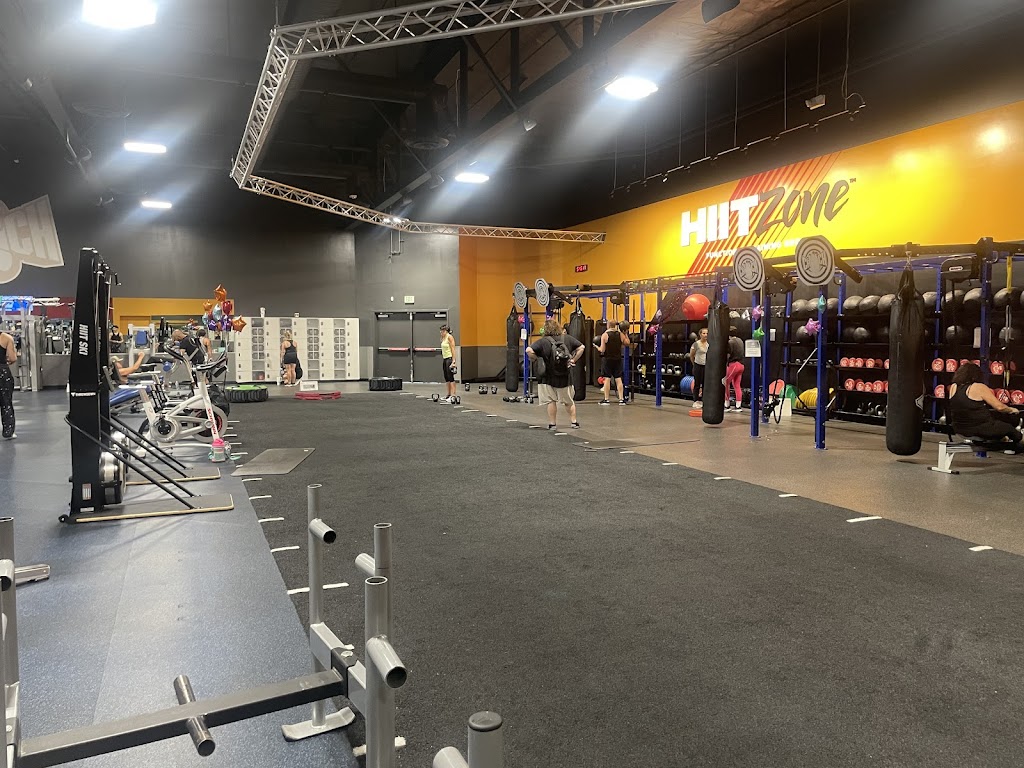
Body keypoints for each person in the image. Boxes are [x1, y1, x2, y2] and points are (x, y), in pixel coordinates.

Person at [526, 318, 584, 430]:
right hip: (565, 376)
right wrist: (574, 360)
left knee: (551, 401)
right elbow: (582, 347)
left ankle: (552, 424)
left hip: (548, 377)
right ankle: (574, 422)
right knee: (569, 401)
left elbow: (529, 350)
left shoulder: (543, 341)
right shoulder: (567, 338)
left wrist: (536, 358)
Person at [948, 362, 1022, 449]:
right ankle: (1019, 445)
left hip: (959, 429)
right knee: (1010, 429)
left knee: (998, 427)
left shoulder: (953, 387)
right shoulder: (978, 387)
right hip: (979, 429)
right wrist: (1012, 410)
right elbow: (1000, 407)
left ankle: (1003, 442)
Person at [597, 321, 631, 405]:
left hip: (608, 359)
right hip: (617, 359)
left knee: (607, 379)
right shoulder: (621, 334)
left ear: (608, 325)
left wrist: (597, 347)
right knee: (618, 379)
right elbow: (627, 343)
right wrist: (625, 333)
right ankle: (621, 399)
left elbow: (602, 350)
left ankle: (606, 399)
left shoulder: (605, 335)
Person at [0, 330, 16, 439]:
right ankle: (8, 431)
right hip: (2, 372)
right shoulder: (6, 338)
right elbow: (12, 358)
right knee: (6, 402)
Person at [725, 326, 745, 412]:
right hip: (741, 365)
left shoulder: (730, 342)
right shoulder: (740, 340)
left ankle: (727, 405)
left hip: (733, 365)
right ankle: (738, 406)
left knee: (725, 383)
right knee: (737, 385)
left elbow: (728, 354)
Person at [689, 327, 709, 408]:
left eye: (707, 333)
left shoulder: (709, 344)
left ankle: (704, 401)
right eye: (704, 333)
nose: (705, 335)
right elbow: (691, 355)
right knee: (697, 384)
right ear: (700, 334)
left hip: (706, 366)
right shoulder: (696, 344)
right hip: (697, 365)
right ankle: (695, 401)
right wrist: (694, 364)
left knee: (705, 384)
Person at [439, 324, 457, 401]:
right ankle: (448, 395)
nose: (441, 332)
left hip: (449, 359)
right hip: (445, 359)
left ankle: (453, 396)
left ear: (445, 331)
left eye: (442, 331)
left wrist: (454, 361)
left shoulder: (450, 337)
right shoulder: (443, 338)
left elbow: (453, 349)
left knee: (451, 377)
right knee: (446, 378)